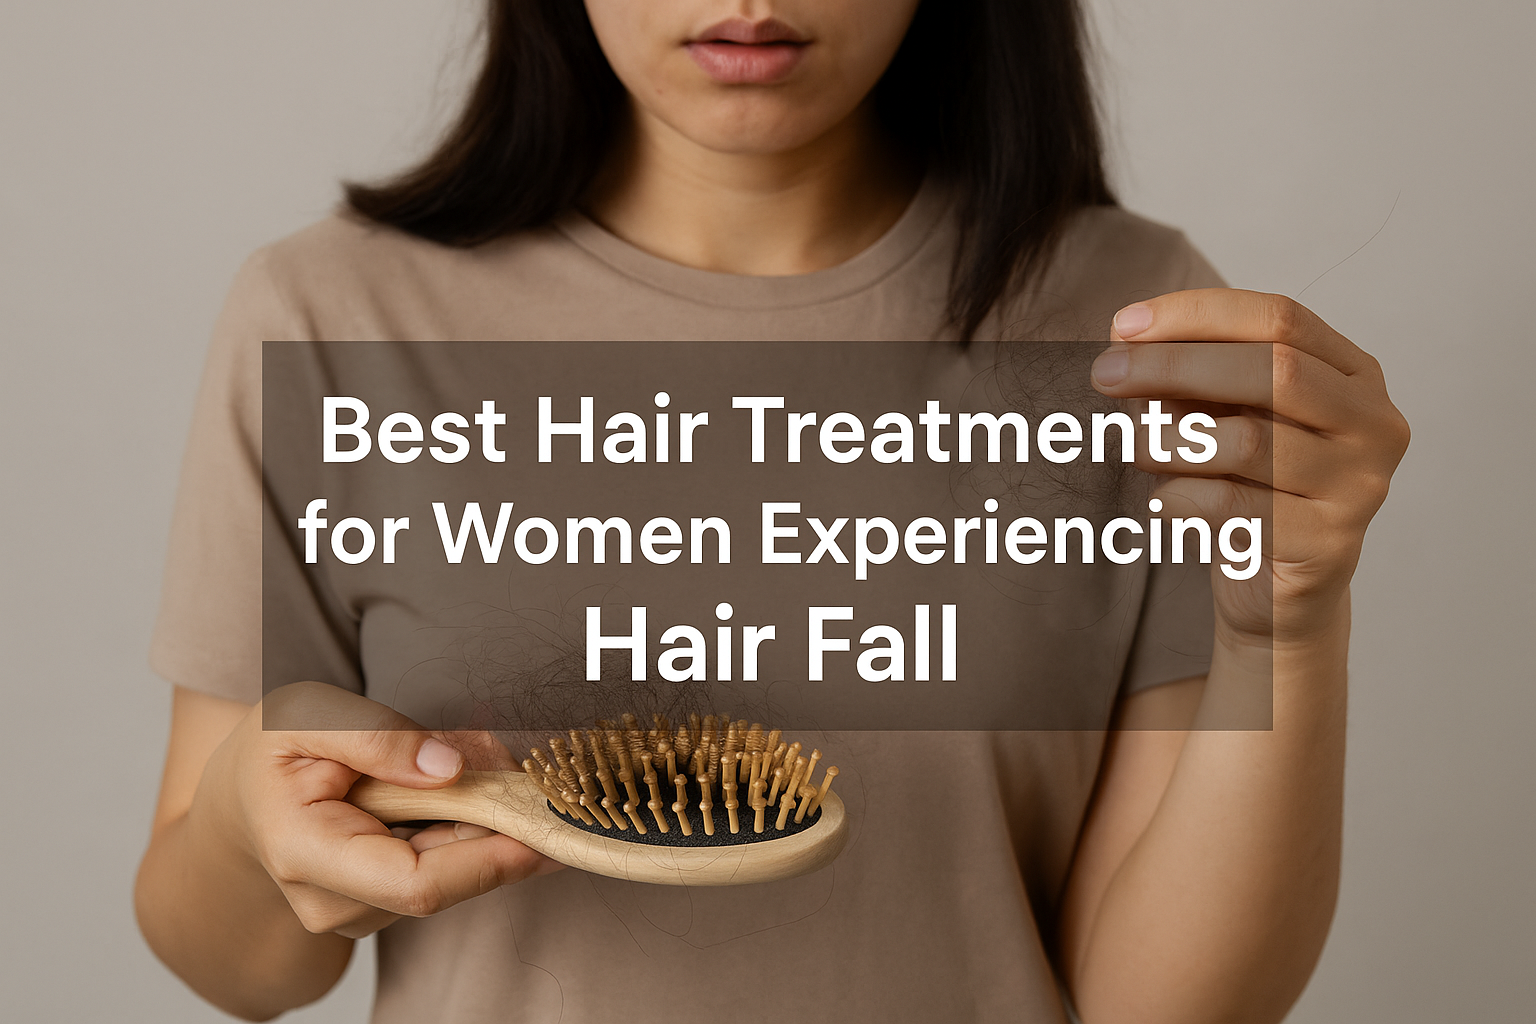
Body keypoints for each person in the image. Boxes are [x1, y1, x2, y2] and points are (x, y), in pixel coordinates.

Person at [134, 1, 1410, 1022]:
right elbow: (241, 970)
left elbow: (1168, 1009)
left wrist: (1288, 627)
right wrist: (257, 833)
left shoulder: (1137, 330)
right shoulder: (330, 319)